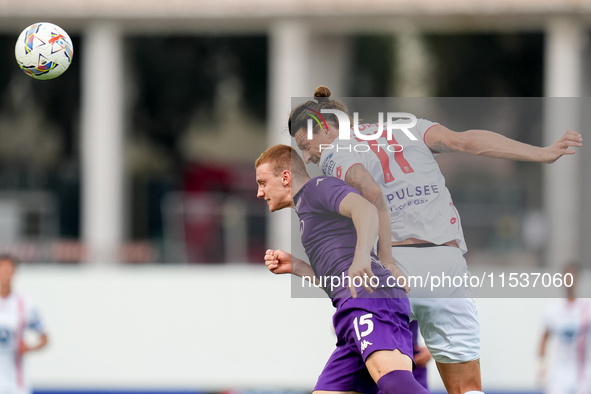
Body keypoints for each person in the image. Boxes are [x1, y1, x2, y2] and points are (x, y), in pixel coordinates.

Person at [288, 86, 583, 394]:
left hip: (394, 272)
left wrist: (386, 259)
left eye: (306, 145)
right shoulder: (410, 127)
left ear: (325, 126)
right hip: (447, 267)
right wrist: (542, 153)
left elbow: (371, 192)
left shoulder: (335, 153)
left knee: (369, 384)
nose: (308, 157)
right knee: (468, 389)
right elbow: (465, 141)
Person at [255, 144, 430, 394]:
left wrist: (361, 258)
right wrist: (297, 266)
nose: (260, 192)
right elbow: (337, 280)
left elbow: (366, 209)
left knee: (393, 382)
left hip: (369, 298)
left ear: (285, 177)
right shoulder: (307, 210)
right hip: (353, 305)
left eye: (262, 182)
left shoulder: (317, 188)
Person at [539, 263, 591, 394]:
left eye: (572, 276)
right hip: (560, 373)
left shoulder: (586, 308)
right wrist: (541, 365)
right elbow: (544, 338)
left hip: (582, 373)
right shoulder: (553, 309)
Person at [0, 254, 48, 394]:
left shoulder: (25, 304)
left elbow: (44, 337)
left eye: (8, 270)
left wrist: (29, 347)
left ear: (14, 272)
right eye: (2, 269)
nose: (5, 274)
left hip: (17, 383)